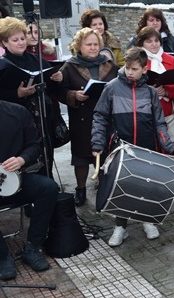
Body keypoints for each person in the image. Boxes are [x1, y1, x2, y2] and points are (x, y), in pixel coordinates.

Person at [91, 48, 174, 247]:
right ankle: (120, 227)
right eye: (127, 67)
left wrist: (168, 145)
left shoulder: (150, 92)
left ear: (144, 69)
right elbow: (100, 116)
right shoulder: (112, 87)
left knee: (145, 184)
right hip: (120, 147)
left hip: (146, 146)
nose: (129, 72)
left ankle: (147, 220)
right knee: (120, 186)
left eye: (134, 69)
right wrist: (97, 142)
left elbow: (160, 123)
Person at [58, 27, 117, 206]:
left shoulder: (109, 65)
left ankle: (105, 188)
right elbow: (59, 91)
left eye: (95, 44)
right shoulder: (70, 66)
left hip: (106, 118)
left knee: (105, 155)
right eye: (88, 44)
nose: (92, 47)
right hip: (81, 118)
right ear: (79, 46)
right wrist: (73, 95)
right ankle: (81, 189)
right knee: (81, 157)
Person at [0, 100, 58, 280]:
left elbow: (35, 145)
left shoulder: (17, 112)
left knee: (48, 188)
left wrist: (21, 159)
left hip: (16, 178)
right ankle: (2, 256)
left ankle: (33, 247)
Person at [0, 17, 64, 177]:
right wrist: (17, 93)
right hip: (17, 119)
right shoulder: (3, 64)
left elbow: (51, 83)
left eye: (22, 38)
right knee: (28, 155)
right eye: (15, 40)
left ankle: (49, 183)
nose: (21, 42)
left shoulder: (36, 59)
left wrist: (57, 79)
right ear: (4, 43)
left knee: (46, 152)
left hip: (42, 116)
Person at [137, 27, 174, 128]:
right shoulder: (138, 59)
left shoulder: (170, 59)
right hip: (144, 109)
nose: (154, 44)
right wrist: (151, 90)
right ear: (142, 43)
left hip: (168, 111)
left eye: (156, 40)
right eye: (149, 41)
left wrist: (166, 92)